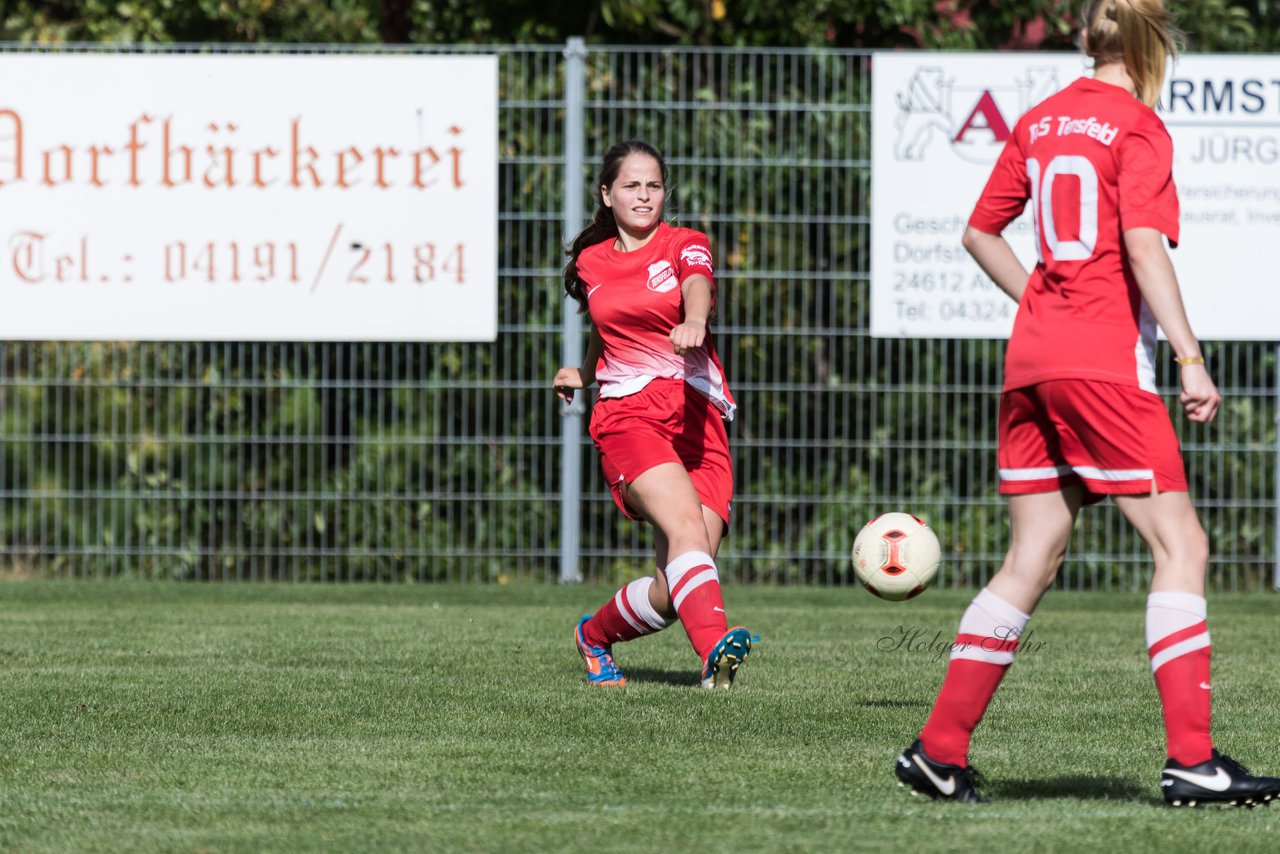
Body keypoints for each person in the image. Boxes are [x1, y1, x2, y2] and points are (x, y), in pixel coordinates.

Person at [894, 0, 1280, 806]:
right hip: (1106, 364)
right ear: (1153, 44)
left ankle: (938, 750)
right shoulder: (1138, 126)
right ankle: (1192, 760)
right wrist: (1190, 358)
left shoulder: (1040, 121)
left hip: (1031, 362)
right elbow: (1142, 246)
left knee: (1033, 555)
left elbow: (978, 233)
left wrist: (1041, 299)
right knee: (1183, 545)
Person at [554, 140, 753, 690]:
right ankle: (716, 651)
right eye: (631, 186)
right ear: (607, 194)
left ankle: (593, 636)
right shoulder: (592, 262)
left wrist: (693, 319)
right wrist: (586, 374)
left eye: (654, 186)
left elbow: (698, 285)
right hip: (628, 415)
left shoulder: (685, 243)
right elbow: (609, 326)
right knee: (687, 530)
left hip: (697, 414)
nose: (644, 196)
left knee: (677, 590)